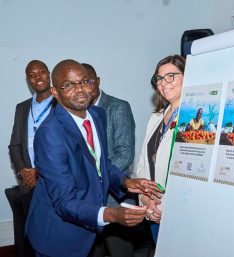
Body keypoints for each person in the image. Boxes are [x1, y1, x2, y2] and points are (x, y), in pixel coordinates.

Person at [25, 59, 162, 257]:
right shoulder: (50, 133)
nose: (80, 89)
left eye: (84, 81)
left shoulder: (97, 115)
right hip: (59, 236)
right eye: (69, 85)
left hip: (89, 230)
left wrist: (125, 181)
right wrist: (112, 214)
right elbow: (64, 202)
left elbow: (100, 162)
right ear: (55, 92)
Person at [81, 63, 137, 257]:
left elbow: (125, 154)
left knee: (119, 251)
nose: (84, 87)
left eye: (88, 81)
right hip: (89, 201)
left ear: (98, 81)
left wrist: (94, 177)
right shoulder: (79, 113)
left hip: (114, 196)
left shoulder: (118, 107)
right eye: (79, 83)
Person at [136, 55, 185, 243]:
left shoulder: (197, 120)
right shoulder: (155, 117)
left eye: (170, 76)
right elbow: (142, 163)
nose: (164, 83)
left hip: (179, 212)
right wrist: (145, 199)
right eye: (159, 78)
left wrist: (166, 208)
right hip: (153, 210)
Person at [8, 60, 54, 257]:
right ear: (28, 80)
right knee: (33, 237)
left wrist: (40, 171)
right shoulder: (22, 108)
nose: (38, 77)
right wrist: (23, 171)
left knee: (55, 237)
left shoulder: (62, 102)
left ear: (49, 74)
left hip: (55, 183)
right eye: (32, 75)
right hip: (30, 184)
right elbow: (15, 146)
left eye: (41, 72)